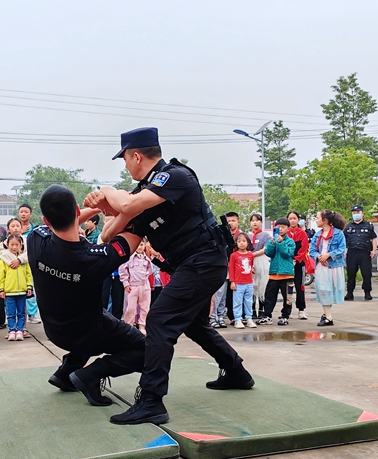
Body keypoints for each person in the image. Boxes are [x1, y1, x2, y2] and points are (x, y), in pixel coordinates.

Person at [84, 126, 253, 425]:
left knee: (160, 320)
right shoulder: (142, 195)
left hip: (204, 262)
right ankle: (236, 371)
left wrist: (110, 194)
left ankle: (151, 401)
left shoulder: (173, 176)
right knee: (196, 327)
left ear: (136, 156)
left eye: (124, 159)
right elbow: (108, 234)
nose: (125, 165)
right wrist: (116, 209)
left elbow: (127, 204)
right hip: (191, 266)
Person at [27, 185, 145, 408]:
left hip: (54, 331)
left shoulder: (35, 240)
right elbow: (134, 233)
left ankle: (65, 373)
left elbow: (62, 223)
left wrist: (100, 210)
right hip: (89, 332)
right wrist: (120, 206)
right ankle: (91, 374)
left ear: (45, 220)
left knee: (89, 319)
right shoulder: (93, 258)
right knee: (148, 350)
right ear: (77, 210)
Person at [310, 210, 347, 326]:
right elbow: (312, 250)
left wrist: (328, 255)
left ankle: (327, 314)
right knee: (323, 290)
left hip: (334, 266)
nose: (316, 220)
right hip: (322, 267)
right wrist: (320, 257)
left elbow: (342, 249)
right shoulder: (317, 234)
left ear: (325, 220)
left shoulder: (338, 233)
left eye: (317, 218)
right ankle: (328, 316)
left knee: (331, 290)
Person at [258, 218, 296, 326]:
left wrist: (281, 243)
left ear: (288, 229)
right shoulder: (273, 240)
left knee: (287, 297)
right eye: (278, 227)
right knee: (269, 296)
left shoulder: (290, 242)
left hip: (287, 274)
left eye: (283, 227)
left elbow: (287, 253)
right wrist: (272, 243)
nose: (280, 229)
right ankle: (267, 315)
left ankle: (285, 316)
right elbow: (268, 253)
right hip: (274, 274)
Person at [1, 218, 32, 338]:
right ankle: (11, 330)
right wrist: (12, 262)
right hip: (10, 285)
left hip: (22, 280)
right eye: (12, 226)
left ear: (21, 227)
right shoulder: (3, 243)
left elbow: (29, 254)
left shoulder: (26, 240)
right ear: (8, 228)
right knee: (10, 310)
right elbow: (2, 255)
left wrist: (19, 260)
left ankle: (22, 329)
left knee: (21, 309)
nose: (15, 228)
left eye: (17, 225)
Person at [119, 239, 153, 335]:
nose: (139, 247)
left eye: (141, 244)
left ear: (145, 245)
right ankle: (129, 325)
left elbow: (150, 271)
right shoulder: (130, 258)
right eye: (137, 245)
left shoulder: (146, 259)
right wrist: (126, 283)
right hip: (132, 286)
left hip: (144, 286)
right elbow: (122, 270)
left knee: (145, 307)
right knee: (130, 308)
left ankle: (142, 325)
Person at [343, 205, 377, 301]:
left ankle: (367, 293)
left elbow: (373, 238)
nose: (356, 214)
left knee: (366, 273)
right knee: (351, 273)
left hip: (364, 253)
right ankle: (349, 293)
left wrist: (374, 250)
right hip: (352, 252)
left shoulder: (368, 225)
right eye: (354, 213)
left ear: (362, 213)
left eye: (358, 212)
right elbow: (343, 240)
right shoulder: (348, 226)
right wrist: (344, 251)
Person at [100, 212, 125, 320]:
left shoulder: (121, 237)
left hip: (120, 274)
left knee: (118, 300)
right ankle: (101, 322)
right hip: (105, 273)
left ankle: (117, 324)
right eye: (107, 221)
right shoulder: (101, 237)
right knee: (103, 298)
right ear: (104, 222)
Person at [229, 233, 256, 329]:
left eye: (244, 241)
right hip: (238, 283)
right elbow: (231, 269)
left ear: (248, 243)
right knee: (237, 302)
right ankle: (238, 319)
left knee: (248, 301)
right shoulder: (233, 256)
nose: (241, 243)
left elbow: (251, 265)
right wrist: (232, 281)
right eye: (239, 241)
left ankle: (249, 318)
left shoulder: (250, 255)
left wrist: (252, 269)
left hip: (249, 282)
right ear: (236, 243)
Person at [286, 211, 310, 319]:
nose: (292, 221)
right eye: (290, 218)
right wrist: (289, 260)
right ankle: (287, 310)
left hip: (300, 264)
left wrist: (296, 259)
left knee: (300, 287)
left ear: (298, 219)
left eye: (294, 218)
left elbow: (304, 248)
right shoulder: (285, 233)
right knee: (287, 288)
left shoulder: (302, 233)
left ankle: (301, 310)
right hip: (287, 264)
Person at [249, 213, 270, 319]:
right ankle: (252, 310)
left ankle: (262, 309)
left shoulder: (265, 235)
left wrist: (253, 254)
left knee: (262, 285)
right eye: (252, 221)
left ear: (261, 222)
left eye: (257, 220)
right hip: (250, 261)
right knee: (252, 286)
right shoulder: (248, 235)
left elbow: (265, 249)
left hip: (261, 260)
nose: (254, 222)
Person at [223, 212, 243, 325]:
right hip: (225, 267)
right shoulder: (223, 236)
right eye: (228, 221)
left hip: (238, 269)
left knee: (236, 292)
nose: (231, 223)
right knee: (224, 292)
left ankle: (236, 315)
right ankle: (227, 314)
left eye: (233, 220)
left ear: (238, 222)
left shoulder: (242, 236)